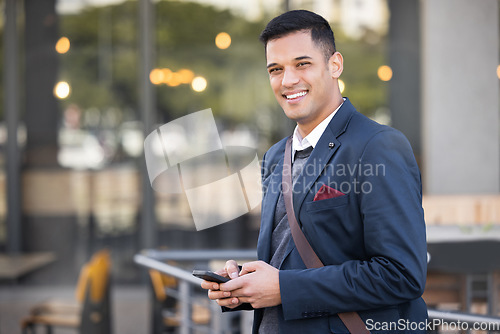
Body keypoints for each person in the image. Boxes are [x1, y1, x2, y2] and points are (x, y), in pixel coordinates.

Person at [201, 9, 427, 334]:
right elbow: (289, 259)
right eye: (276, 69)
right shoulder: (276, 156)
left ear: (335, 65)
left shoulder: (379, 147)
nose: (288, 80)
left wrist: (284, 287)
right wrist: (245, 288)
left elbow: (401, 274)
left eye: (302, 64)